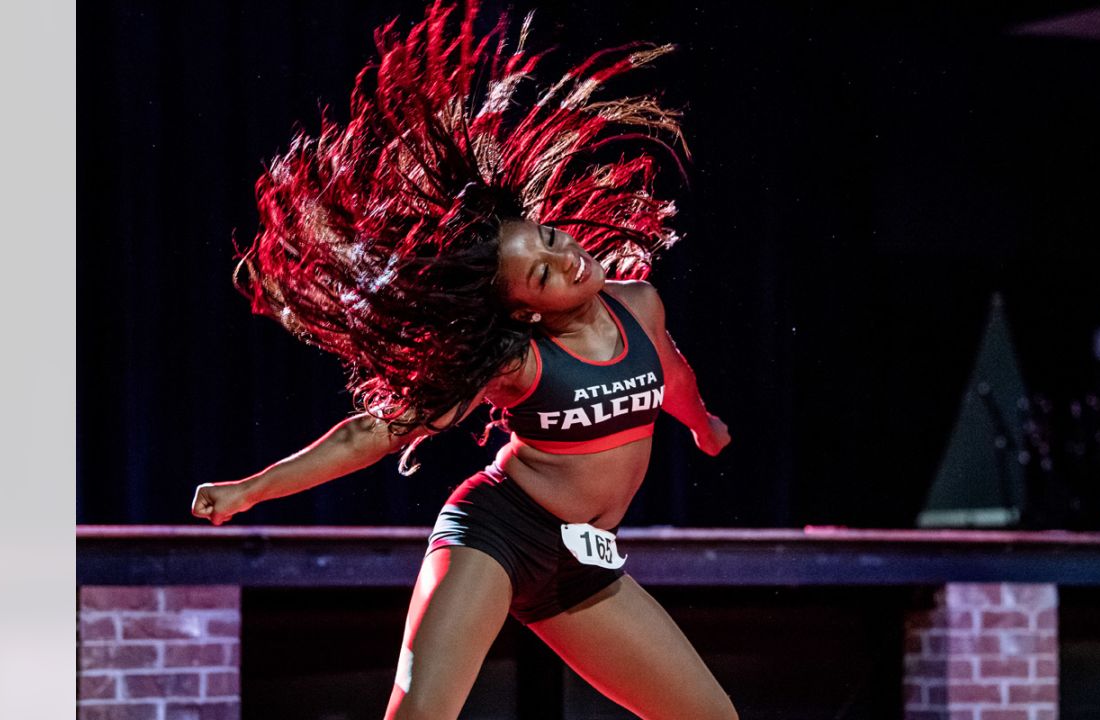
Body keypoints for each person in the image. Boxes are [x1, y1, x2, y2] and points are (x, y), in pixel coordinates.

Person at [191, 3, 735, 718]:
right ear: (522, 311)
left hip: (581, 561)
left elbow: (672, 374)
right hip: (496, 535)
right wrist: (251, 489)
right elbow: (375, 431)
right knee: (420, 714)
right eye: (540, 272)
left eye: (546, 237)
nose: (562, 255)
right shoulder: (513, 360)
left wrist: (702, 425)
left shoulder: (640, 304)